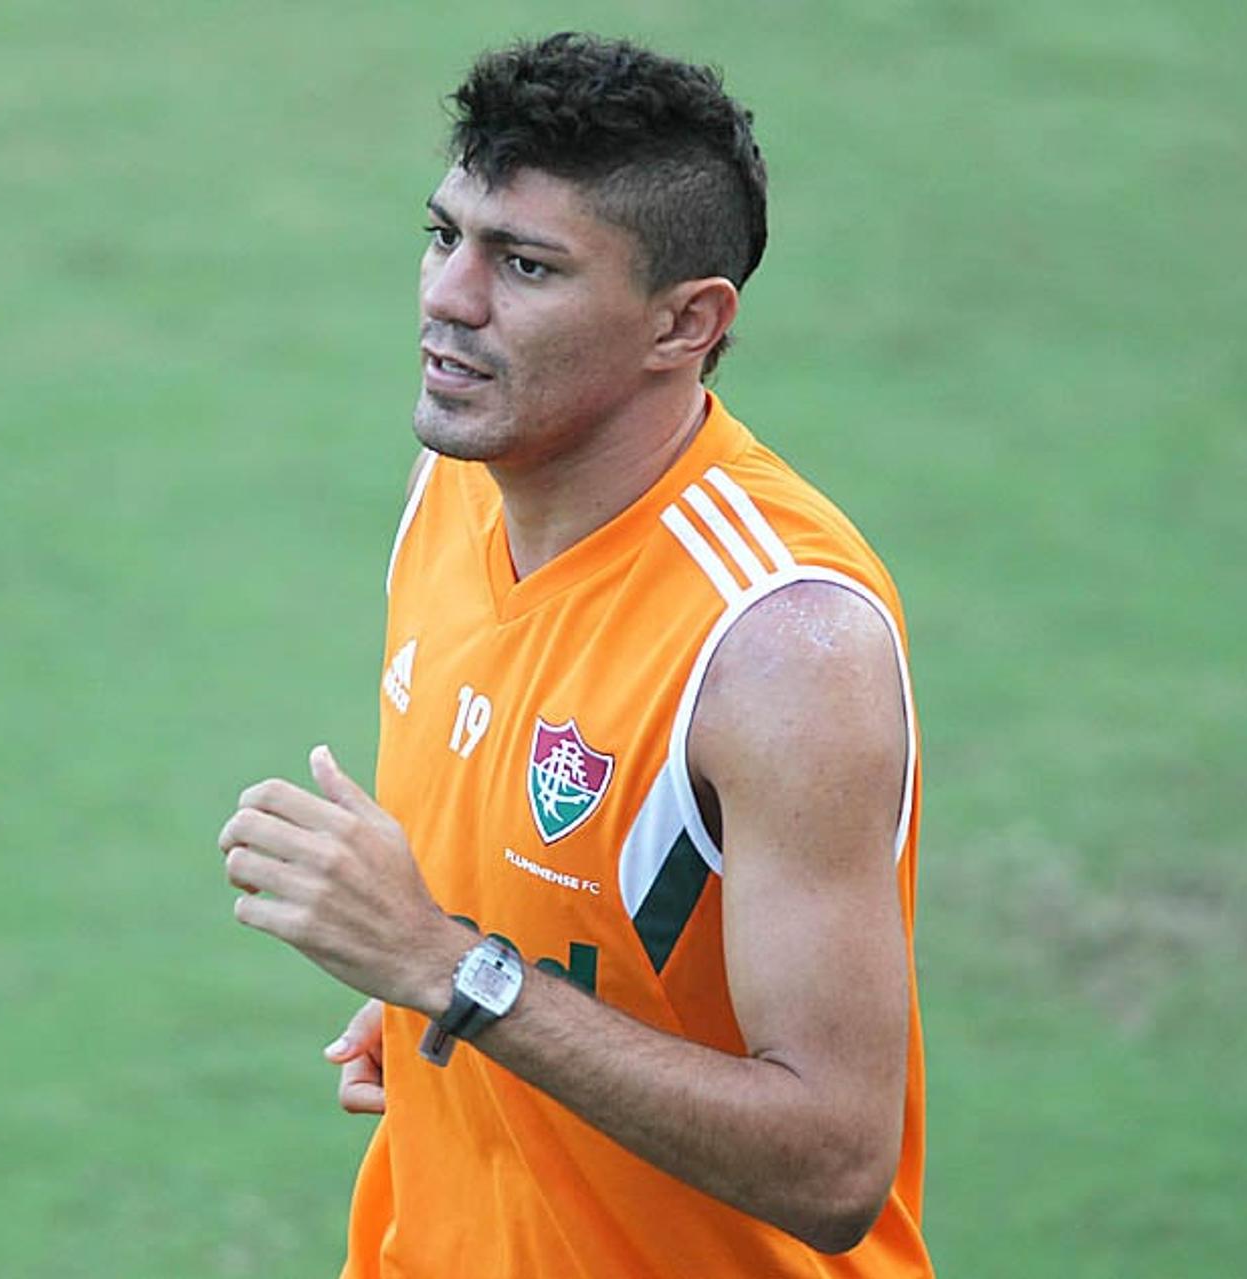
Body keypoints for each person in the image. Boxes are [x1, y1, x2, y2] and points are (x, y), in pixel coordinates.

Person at [219, 32, 931, 1277]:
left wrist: (447, 971)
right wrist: (450, 996)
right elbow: (561, 905)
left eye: (527, 265)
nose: (450, 296)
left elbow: (833, 1164)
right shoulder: (457, 488)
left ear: (685, 323)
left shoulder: (776, 643)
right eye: (446, 237)